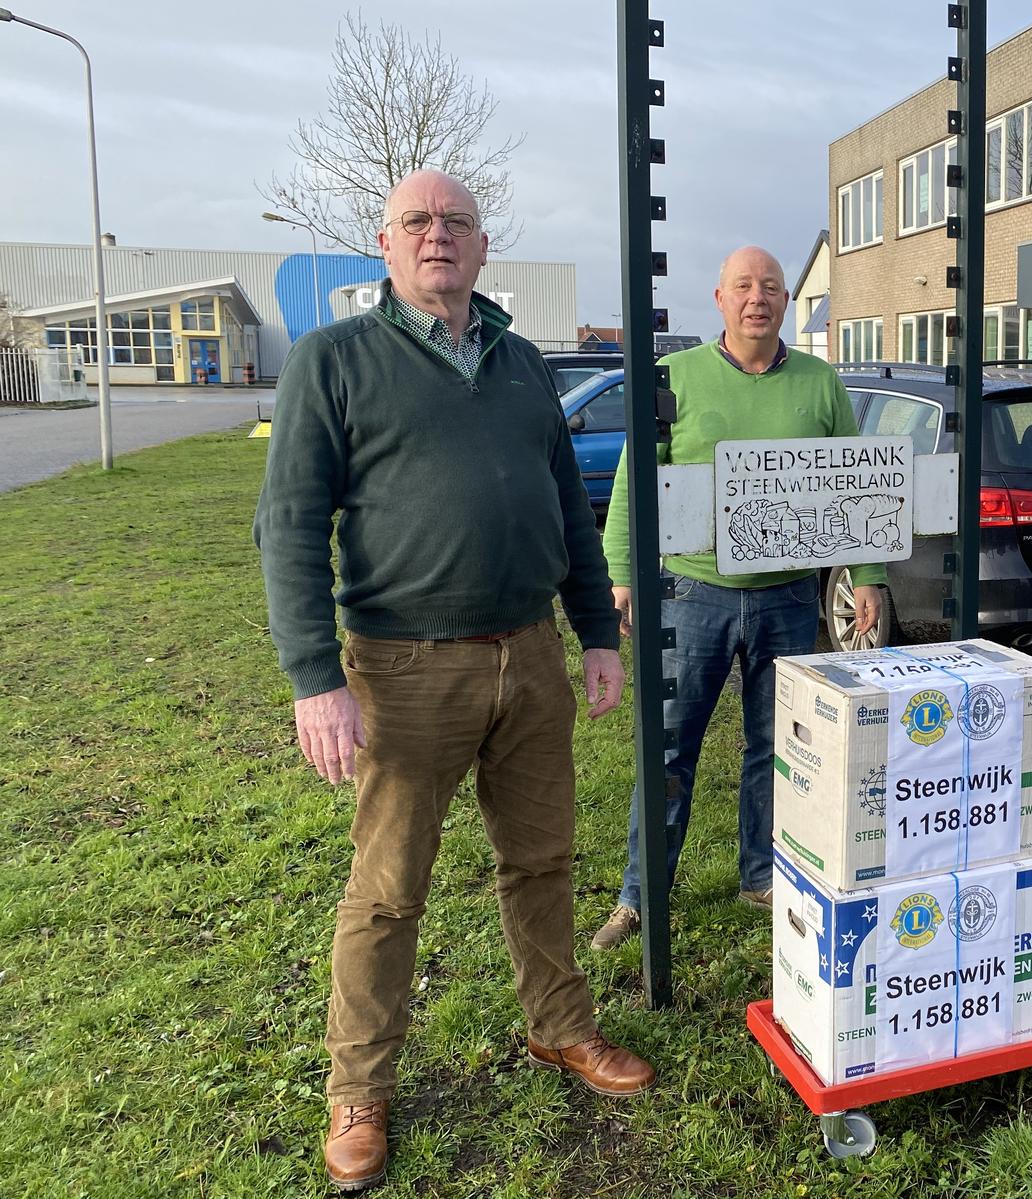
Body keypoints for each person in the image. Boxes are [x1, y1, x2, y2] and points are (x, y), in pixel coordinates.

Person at [255, 169, 655, 1192]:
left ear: (482, 247)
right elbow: (291, 525)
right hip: (402, 667)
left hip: (528, 659)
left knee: (544, 859)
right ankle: (359, 1089)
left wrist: (592, 636)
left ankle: (561, 1027)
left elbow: (569, 510)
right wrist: (315, 677)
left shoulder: (521, 365)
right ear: (385, 246)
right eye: (418, 222)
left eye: (458, 223)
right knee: (388, 891)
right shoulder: (333, 361)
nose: (439, 236)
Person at [592, 246, 884, 950]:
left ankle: (762, 871)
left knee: (779, 746)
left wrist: (866, 571)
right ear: (719, 298)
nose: (759, 298)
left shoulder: (820, 384)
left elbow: (853, 482)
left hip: (788, 595)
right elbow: (638, 475)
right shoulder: (675, 376)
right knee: (667, 747)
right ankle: (641, 892)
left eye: (772, 288)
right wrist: (622, 572)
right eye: (745, 287)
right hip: (692, 591)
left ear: (788, 302)